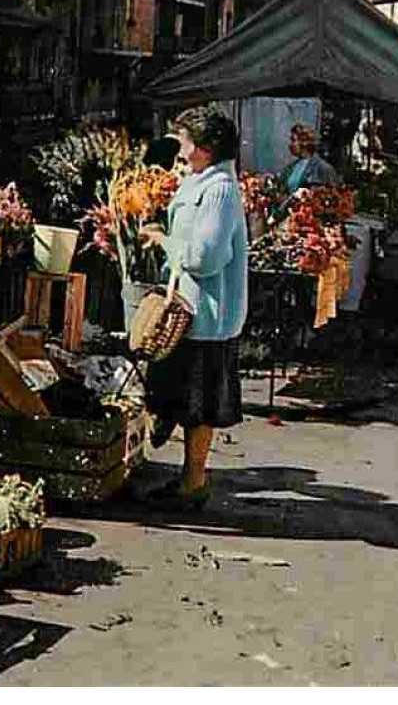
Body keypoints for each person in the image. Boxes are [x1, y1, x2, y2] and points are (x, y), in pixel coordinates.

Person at [140, 108, 248, 511]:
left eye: (184, 141)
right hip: (192, 309)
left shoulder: (219, 189)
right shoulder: (203, 181)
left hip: (208, 314)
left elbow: (206, 257)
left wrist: (163, 241)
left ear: (204, 149)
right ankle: (188, 477)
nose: (180, 149)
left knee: (200, 403)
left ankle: (194, 482)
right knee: (188, 397)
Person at [285, 123, 338, 194]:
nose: (290, 145)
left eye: (293, 140)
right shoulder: (291, 167)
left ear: (304, 143)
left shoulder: (322, 167)